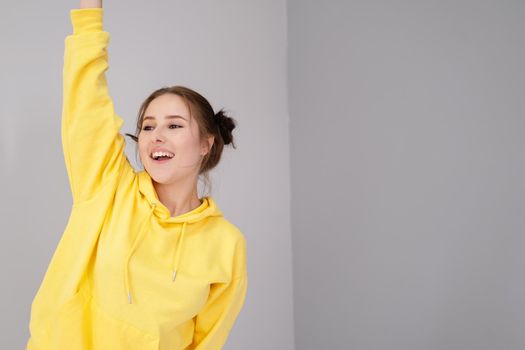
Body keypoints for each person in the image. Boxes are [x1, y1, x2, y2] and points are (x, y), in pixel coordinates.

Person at [26, 1, 248, 349]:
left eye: (174, 125)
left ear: (206, 144)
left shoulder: (226, 244)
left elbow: (206, 342)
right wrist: (89, 15)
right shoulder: (108, 187)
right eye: (147, 126)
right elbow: (86, 104)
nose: (156, 135)